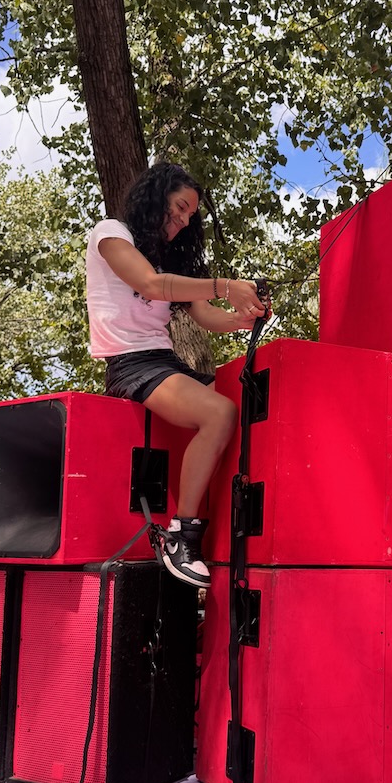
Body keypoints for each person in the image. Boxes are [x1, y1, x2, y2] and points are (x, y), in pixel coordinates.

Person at [85, 161, 267, 587]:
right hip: (130, 363)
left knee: (254, 405)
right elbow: (151, 285)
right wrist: (225, 285)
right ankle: (180, 536)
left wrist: (245, 316)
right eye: (181, 207)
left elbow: (207, 316)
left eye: (191, 216)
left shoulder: (170, 255)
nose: (185, 220)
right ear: (158, 194)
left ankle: (240, 529)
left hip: (166, 363)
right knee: (219, 413)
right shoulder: (112, 233)